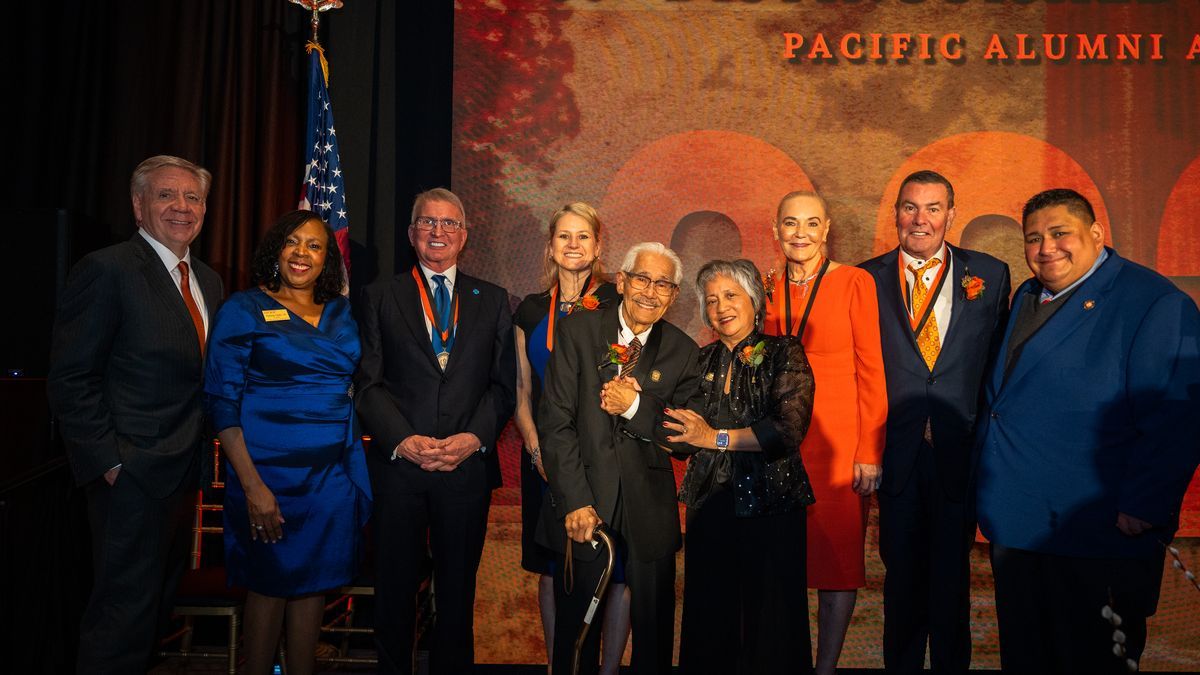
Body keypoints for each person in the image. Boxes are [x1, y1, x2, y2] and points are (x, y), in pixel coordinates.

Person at [975, 188, 1200, 674]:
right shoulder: (1027, 296)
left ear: (1096, 234)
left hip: (1099, 533)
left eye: (1060, 234)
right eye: (1034, 238)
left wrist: (1143, 504)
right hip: (1019, 526)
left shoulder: (1155, 302)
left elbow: (1176, 420)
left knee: (1093, 660)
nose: (1046, 248)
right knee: (1028, 656)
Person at [47, 155, 224, 674]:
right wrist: (110, 462)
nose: (181, 207)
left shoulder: (207, 281)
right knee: (121, 618)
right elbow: (72, 377)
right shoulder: (107, 269)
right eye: (167, 195)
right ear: (138, 204)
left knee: (153, 616)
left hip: (181, 473)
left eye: (193, 198)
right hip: (129, 477)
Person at [354, 188, 516, 674]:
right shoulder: (380, 296)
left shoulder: (492, 300)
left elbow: (503, 387)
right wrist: (402, 439)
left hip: (465, 469)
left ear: (464, 236)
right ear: (411, 234)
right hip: (399, 468)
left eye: (449, 224)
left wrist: (473, 439)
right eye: (428, 223)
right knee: (395, 592)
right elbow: (367, 385)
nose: (438, 232)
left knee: (457, 594)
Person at [203, 210, 372, 675]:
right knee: (269, 583)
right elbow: (222, 403)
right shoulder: (244, 308)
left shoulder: (341, 312)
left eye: (315, 245)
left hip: (332, 474)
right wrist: (252, 486)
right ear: (276, 250)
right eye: (293, 242)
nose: (303, 253)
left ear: (327, 259)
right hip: (266, 474)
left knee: (315, 582)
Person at [859, 170, 1010, 674]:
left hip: (957, 451)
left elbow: (995, 366)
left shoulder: (990, 274)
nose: (920, 219)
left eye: (932, 208)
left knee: (952, 583)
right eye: (909, 207)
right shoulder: (865, 277)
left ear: (951, 213)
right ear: (896, 214)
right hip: (895, 454)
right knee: (900, 582)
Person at [538, 242, 703, 675]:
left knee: (653, 634)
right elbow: (555, 422)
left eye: (663, 284)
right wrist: (574, 500)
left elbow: (686, 439)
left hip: (649, 510)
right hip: (584, 503)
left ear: (674, 295)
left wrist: (635, 407)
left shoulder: (685, 352)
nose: (651, 292)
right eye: (643, 279)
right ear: (624, 281)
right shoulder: (579, 331)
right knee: (578, 634)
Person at [669, 259, 816, 675]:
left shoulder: (784, 352)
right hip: (709, 505)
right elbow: (680, 436)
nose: (721, 307)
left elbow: (786, 431)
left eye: (731, 295)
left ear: (754, 300)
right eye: (711, 300)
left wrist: (713, 438)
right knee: (708, 617)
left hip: (774, 505)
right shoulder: (698, 361)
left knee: (773, 622)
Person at [761, 190, 887, 675]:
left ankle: (826, 667)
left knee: (836, 565)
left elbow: (872, 370)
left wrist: (868, 449)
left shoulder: (854, 282)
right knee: (779, 560)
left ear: (827, 229)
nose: (800, 233)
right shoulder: (764, 285)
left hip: (838, 446)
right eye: (790, 223)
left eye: (811, 223)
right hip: (777, 444)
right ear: (775, 229)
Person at [511, 202, 627, 674]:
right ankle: (559, 667)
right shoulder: (532, 309)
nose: (573, 244)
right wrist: (539, 450)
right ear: (550, 246)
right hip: (543, 458)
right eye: (564, 236)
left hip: (605, 460)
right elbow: (522, 391)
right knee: (550, 566)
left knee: (613, 570)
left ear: (598, 246)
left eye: (583, 236)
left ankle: (609, 668)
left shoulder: (619, 304)